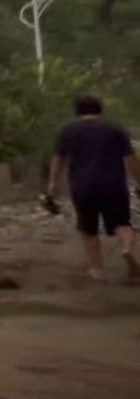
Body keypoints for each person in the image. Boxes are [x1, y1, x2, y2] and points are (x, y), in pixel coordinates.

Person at [47, 95, 140, 282]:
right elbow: (130, 159)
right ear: (100, 110)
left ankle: (97, 270)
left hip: (82, 185)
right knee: (122, 223)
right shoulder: (115, 129)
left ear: (77, 111)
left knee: (88, 228)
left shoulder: (68, 131)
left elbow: (58, 159)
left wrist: (53, 184)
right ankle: (126, 249)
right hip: (113, 184)